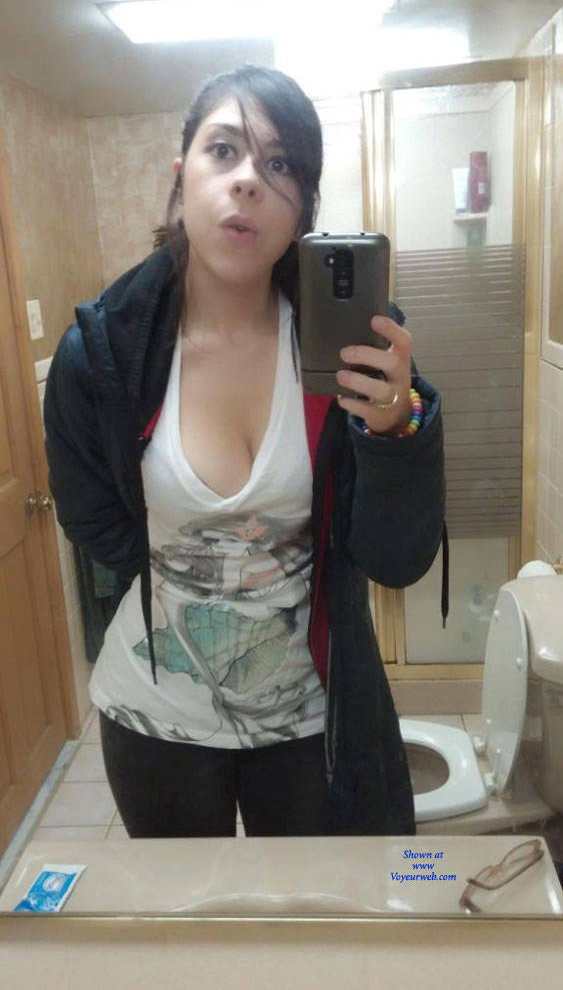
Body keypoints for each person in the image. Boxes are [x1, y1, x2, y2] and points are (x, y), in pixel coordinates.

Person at [43, 64, 446, 840]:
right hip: (153, 715)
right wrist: (194, 580)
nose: (248, 180)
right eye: (223, 149)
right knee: (190, 915)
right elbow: (94, 522)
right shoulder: (102, 354)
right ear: (181, 174)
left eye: (280, 162)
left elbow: (394, 559)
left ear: (304, 205)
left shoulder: (352, 351)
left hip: (311, 720)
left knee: (313, 912)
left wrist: (394, 431)